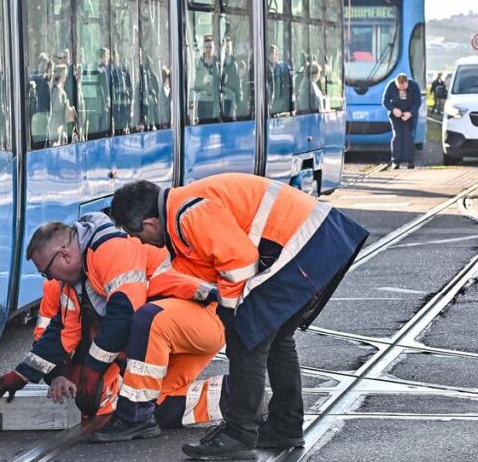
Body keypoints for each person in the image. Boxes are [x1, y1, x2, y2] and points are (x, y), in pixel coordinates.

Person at [110, 174, 369, 460]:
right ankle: (285, 426)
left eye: (137, 236)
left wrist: (229, 308)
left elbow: (240, 260)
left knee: (246, 337)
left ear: (150, 223)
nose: (142, 243)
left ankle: (240, 433)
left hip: (304, 245)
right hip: (316, 241)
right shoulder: (180, 208)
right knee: (279, 339)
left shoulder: (187, 213)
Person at [0, 213, 229, 443]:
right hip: (172, 331)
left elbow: (124, 313)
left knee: (145, 322)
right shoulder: (76, 283)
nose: (49, 280)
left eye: (46, 272)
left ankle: (136, 420)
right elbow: (61, 333)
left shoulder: (111, 248)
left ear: (64, 255)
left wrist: (92, 370)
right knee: (156, 406)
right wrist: (22, 374)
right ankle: (238, 396)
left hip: (202, 318)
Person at [382, 73, 421, 169]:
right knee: (397, 136)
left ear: (407, 83)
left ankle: (410, 161)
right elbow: (385, 101)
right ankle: (396, 161)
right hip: (396, 115)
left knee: (408, 136)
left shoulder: (414, 86)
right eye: (399, 87)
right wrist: (393, 109)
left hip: (410, 115)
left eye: (403, 87)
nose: (402, 89)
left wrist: (410, 113)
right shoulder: (391, 85)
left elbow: (417, 102)